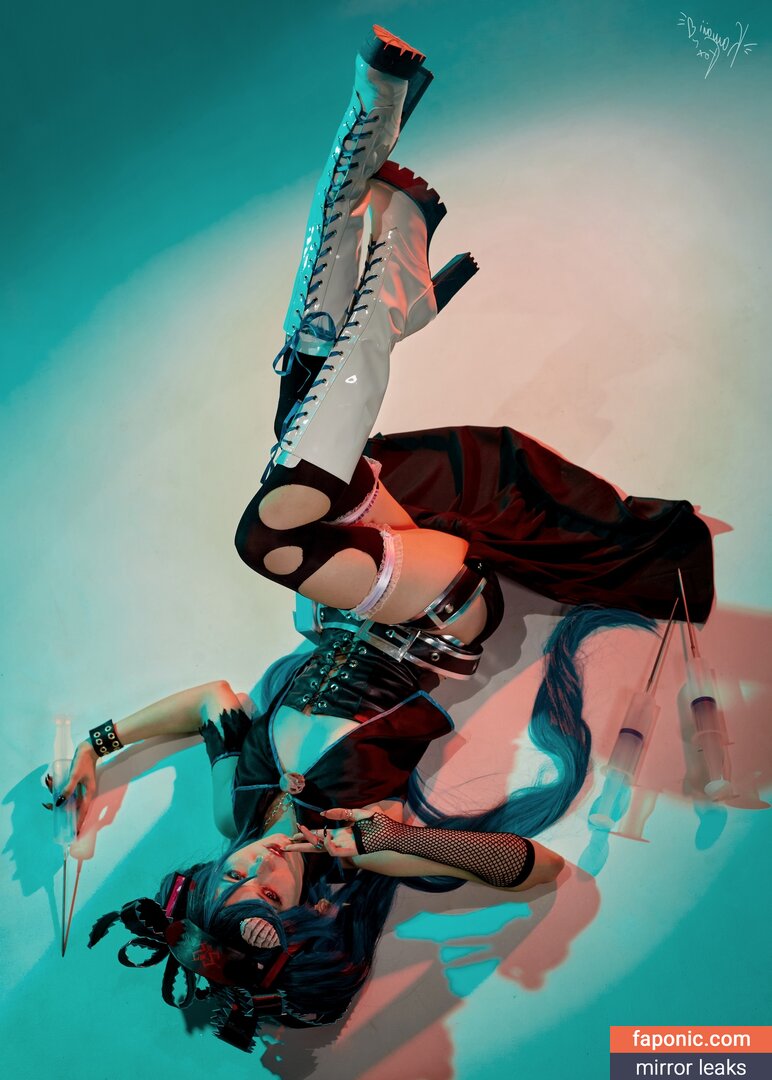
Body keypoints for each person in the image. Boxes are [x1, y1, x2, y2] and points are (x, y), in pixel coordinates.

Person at [53, 25, 714, 1052]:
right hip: (435, 616)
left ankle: (379, 220)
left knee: (300, 409)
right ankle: (388, 241)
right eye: (267, 890)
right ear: (299, 915)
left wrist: (99, 748)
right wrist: (377, 844)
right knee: (272, 534)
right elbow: (537, 874)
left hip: (358, 587)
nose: (257, 865)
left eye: (231, 879)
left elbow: (215, 703)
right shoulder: (370, 847)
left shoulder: (243, 805)